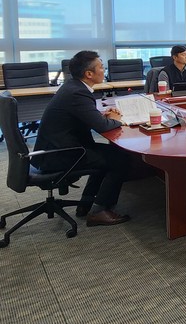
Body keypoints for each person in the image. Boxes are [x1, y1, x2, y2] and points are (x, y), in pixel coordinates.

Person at [32, 51, 132, 226]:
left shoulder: (73, 87)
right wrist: (116, 120)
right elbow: (102, 127)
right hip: (60, 154)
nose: (104, 70)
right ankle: (99, 211)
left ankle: (86, 204)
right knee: (120, 158)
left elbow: (81, 116)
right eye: (101, 67)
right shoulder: (78, 93)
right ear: (89, 74)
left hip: (55, 149)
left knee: (109, 155)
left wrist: (101, 115)